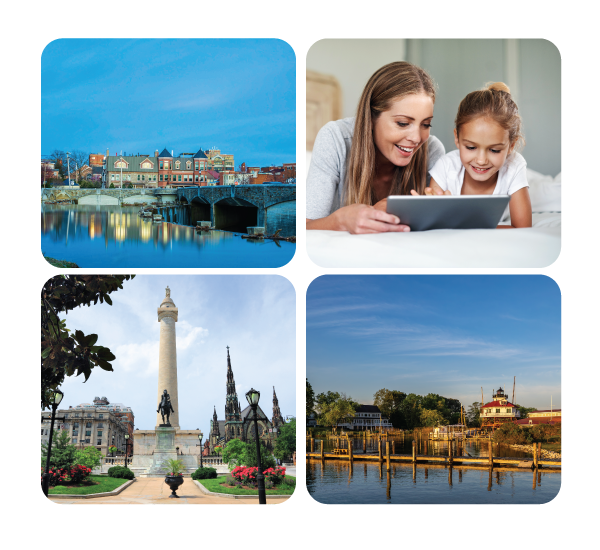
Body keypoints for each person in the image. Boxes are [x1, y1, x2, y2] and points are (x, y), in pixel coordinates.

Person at [306, 61, 446, 234]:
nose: (417, 138)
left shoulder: (432, 150)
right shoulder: (335, 139)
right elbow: (304, 227)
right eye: (402, 123)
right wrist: (340, 221)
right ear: (371, 117)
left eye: (426, 124)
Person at [414, 82, 532, 228]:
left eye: (494, 150)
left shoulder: (514, 166)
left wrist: (463, 224)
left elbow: (522, 228)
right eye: (471, 147)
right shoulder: (446, 166)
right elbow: (433, 225)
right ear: (457, 138)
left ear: (511, 146)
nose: (481, 161)